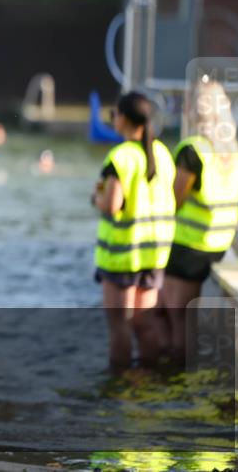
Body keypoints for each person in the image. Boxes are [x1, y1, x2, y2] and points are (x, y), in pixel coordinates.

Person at [159, 78, 238, 363]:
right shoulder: (230, 149)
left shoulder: (193, 150)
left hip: (189, 246)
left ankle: (174, 374)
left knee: (176, 315)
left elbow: (174, 199)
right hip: (218, 241)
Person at [91, 92, 175, 371]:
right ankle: (148, 378)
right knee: (144, 322)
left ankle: (119, 385)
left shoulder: (121, 156)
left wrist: (96, 198)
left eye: (115, 114)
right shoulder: (163, 153)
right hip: (154, 254)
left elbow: (112, 205)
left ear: (123, 118)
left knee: (120, 324)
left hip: (123, 256)